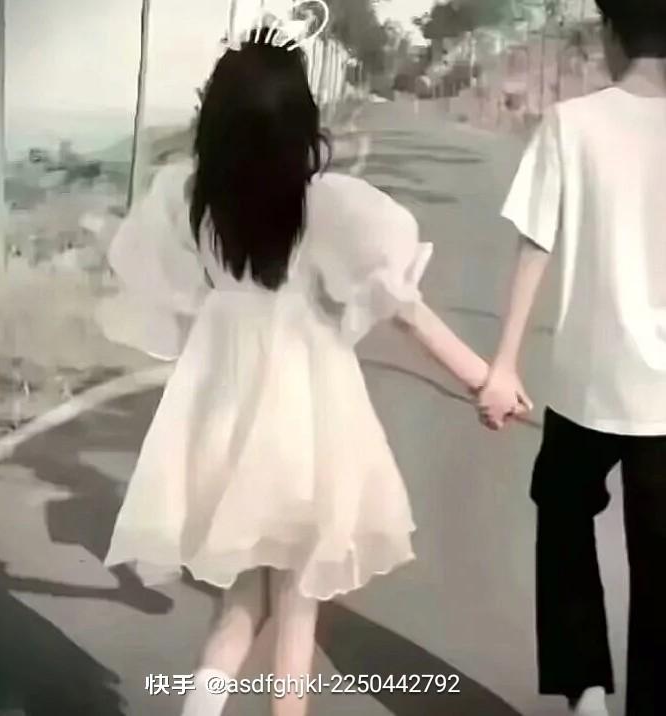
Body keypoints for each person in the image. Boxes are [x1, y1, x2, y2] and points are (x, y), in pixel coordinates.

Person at [98, 17, 519, 716]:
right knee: (295, 614)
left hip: (224, 421)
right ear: (300, 125)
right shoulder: (323, 204)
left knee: (241, 604)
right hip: (306, 428)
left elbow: (164, 297)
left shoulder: (191, 201)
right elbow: (405, 309)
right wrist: (482, 378)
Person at [478, 1, 666, 714]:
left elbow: (536, 241)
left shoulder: (572, 122)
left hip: (588, 384)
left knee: (562, 510)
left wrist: (504, 364)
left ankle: (585, 689)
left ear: (612, 35)